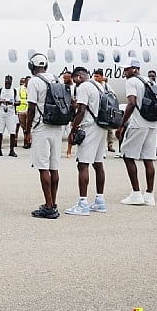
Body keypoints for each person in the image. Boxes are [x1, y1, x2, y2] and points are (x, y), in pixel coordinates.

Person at [23, 53, 63, 219]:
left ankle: (48, 206)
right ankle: (53, 203)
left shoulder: (34, 81)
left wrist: (27, 130)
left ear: (31, 67)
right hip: (57, 127)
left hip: (42, 127)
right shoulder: (56, 79)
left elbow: (31, 108)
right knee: (54, 168)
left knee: (43, 168)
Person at [116, 58, 157, 206]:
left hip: (138, 123)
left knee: (127, 155)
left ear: (135, 69)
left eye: (127, 69)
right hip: (153, 124)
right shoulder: (152, 81)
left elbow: (132, 103)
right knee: (148, 159)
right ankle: (149, 195)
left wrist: (121, 125)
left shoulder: (132, 81)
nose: (124, 72)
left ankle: (136, 193)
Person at [65, 67, 108, 215]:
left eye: (74, 80)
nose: (74, 84)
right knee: (98, 164)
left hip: (89, 128)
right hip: (101, 127)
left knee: (83, 165)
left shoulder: (84, 87)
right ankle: (99, 201)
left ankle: (82, 203)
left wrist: (73, 129)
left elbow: (81, 110)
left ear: (78, 77)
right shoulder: (98, 85)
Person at [0, 75, 19, 157]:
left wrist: (12, 103)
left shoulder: (14, 91)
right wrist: (1, 101)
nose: (8, 83)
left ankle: (12, 150)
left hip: (11, 114)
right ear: (4, 81)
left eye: (9, 82)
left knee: (12, 133)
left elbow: (18, 102)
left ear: (11, 82)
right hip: (1, 114)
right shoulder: (0, 90)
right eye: (6, 82)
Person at [93, 69, 116, 153]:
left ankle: (110, 144)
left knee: (109, 129)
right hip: (98, 110)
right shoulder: (93, 85)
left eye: (97, 76)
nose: (95, 78)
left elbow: (113, 95)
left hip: (106, 110)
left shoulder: (106, 86)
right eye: (95, 76)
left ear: (102, 77)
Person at [62, 70, 76, 158]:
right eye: (64, 78)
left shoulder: (74, 87)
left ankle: (69, 151)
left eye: (66, 78)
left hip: (71, 112)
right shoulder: (62, 87)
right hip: (63, 112)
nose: (64, 79)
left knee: (70, 133)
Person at [15, 76, 30, 148]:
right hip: (20, 111)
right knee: (18, 128)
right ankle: (16, 141)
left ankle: (26, 142)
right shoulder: (19, 89)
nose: (22, 83)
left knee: (25, 128)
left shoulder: (28, 89)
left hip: (24, 110)